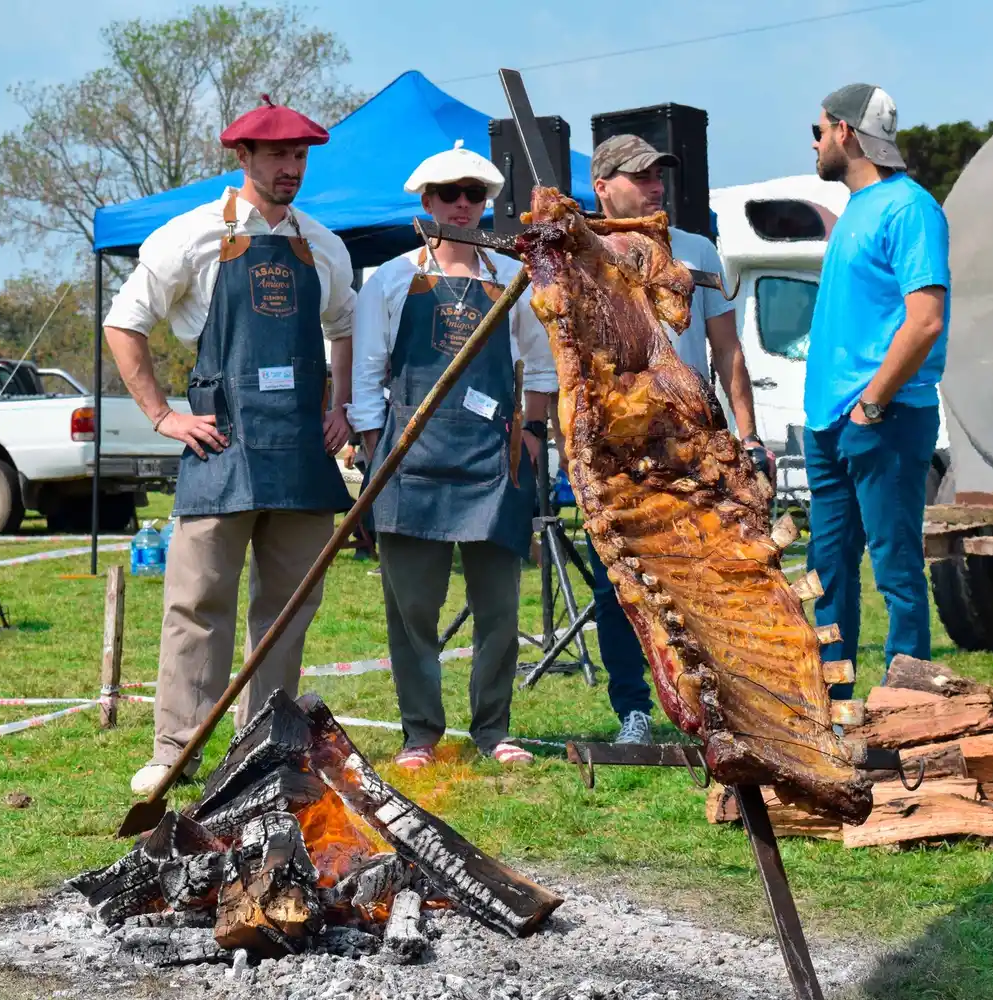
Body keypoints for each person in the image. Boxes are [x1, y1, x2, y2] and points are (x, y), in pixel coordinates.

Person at [103, 95, 358, 794]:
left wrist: (341, 405)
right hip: (222, 443)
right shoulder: (189, 236)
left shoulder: (323, 245)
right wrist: (162, 415)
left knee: (287, 611)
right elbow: (124, 323)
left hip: (302, 451)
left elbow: (344, 326)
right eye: (277, 156)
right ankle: (175, 751)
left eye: (299, 156)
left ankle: (263, 748)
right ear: (242, 157)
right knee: (198, 603)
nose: (290, 168)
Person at [349, 140, 555, 770]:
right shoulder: (389, 279)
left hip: (492, 465)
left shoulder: (514, 278)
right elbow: (366, 376)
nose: (462, 205)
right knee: (413, 608)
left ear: (486, 203)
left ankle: (493, 729)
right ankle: (420, 733)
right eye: (448, 194)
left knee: (499, 608)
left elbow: (541, 366)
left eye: (473, 194)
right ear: (427, 202)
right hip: (410, 463)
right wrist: (373, 451)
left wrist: (532, 432)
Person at [577, 133, 773, 745]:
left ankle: (722, 704)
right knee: (619, 582)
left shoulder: (695, 250)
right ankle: (633, 709)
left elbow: (727, 350)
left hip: (691, 443)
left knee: (711, 574)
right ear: (602, 187)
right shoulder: (582, 252)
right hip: (618, 447)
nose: (655, 186)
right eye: (640, 177)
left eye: (658, 175)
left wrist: (747, 434)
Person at [805, 83, 950, 700]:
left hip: (884, 416)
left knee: (896, 571)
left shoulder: (910, 208)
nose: (814, 144)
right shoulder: (856, 212)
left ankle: (906, 710)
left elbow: (926, 321)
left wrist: (871, 404)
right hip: (829, 421)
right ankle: (831, 711)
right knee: (827, 576)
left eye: (817, 131)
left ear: (844, 132)